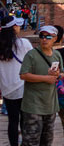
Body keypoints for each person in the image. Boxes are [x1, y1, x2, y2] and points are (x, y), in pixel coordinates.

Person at [19, 25, 63, 146]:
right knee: (31, 141)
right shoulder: (31, 55)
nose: (44, 39)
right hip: (33, 105)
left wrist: (57, 74)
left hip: (50, 105)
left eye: (48, 36)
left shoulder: (57, 55)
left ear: (55, 38)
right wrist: (46, 78)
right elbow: (23, 75)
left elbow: (62, 74)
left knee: (47, 140)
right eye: (42, 36)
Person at [0, 15, 31, 146]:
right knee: (25, 120)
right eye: (17, 25)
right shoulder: (23, 44)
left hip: (7, 88)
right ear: (13, 28)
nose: (19, 27)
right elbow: (32, 61)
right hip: (23, 86)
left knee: (12, 120)